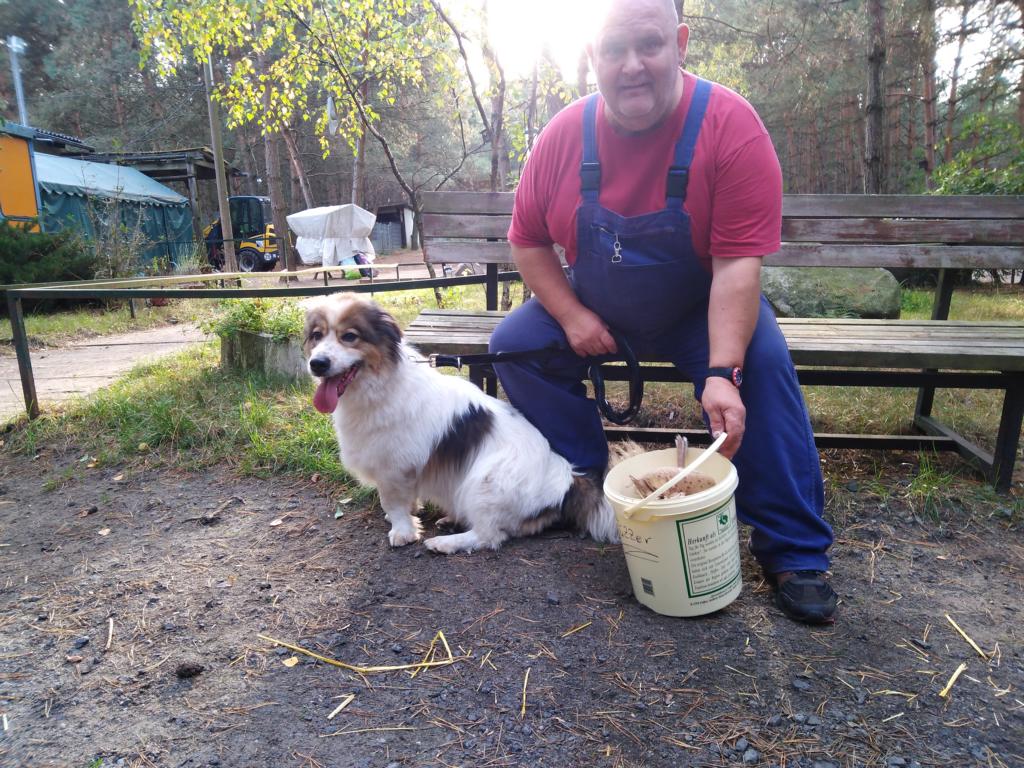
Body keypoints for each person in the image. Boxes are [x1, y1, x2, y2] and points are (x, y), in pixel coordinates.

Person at [489, 0, 837, 624]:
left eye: (648, 45)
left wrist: (723, 372)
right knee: (515, 345)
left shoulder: (730, 126)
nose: (631, 66)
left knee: (762, 366)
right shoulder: (562, 136)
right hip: (596, 305)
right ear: (592, 56)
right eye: (614, 49)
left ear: (679, 43)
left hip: (702, 306)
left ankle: (794, 550)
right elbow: (527, 242)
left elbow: (737, 267)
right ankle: (582, 486)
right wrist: (571, 316)